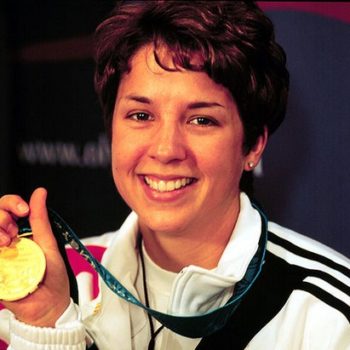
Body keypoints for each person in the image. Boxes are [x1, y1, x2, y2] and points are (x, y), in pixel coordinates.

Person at [0, 1, 349, 349]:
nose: (166, 150)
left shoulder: (329, 316)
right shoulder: (54, 283)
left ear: (253, 145)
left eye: (202, 120)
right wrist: (45, 329)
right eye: (140, 115)